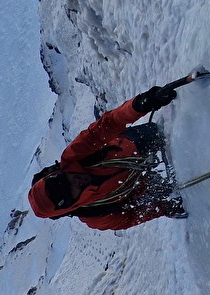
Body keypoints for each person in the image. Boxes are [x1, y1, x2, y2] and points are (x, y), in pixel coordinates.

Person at [28, 84, 187, 230]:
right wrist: (164, 208)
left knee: (163, 131)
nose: (74, 180)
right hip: (140, 186)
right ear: (69, 206)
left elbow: (107, 125)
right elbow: (131, 217)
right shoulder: (96, 215)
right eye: (70, 190)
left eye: (65, 178)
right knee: (174, 187)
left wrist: (139, 105)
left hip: (132, 145)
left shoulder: (74, 156)